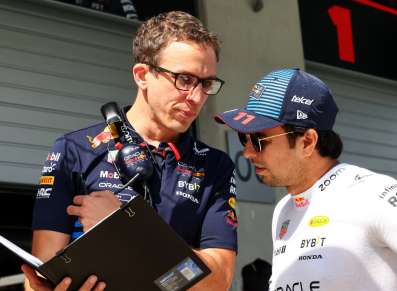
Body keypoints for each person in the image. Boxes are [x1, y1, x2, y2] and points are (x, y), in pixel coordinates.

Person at [23, 11, 237, 291]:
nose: (196, 98)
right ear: (142, 75)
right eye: (184, 80)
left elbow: (218, 281)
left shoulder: (214, 166)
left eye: (206, 83)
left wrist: (124, 227)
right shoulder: (74, 150)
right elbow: (41, 275)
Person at [215, 68, 397, 290]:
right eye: (244, 137)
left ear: (307, 142)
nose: (248, 153)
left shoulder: (374, 193)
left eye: (259, 140)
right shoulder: (284, 209)